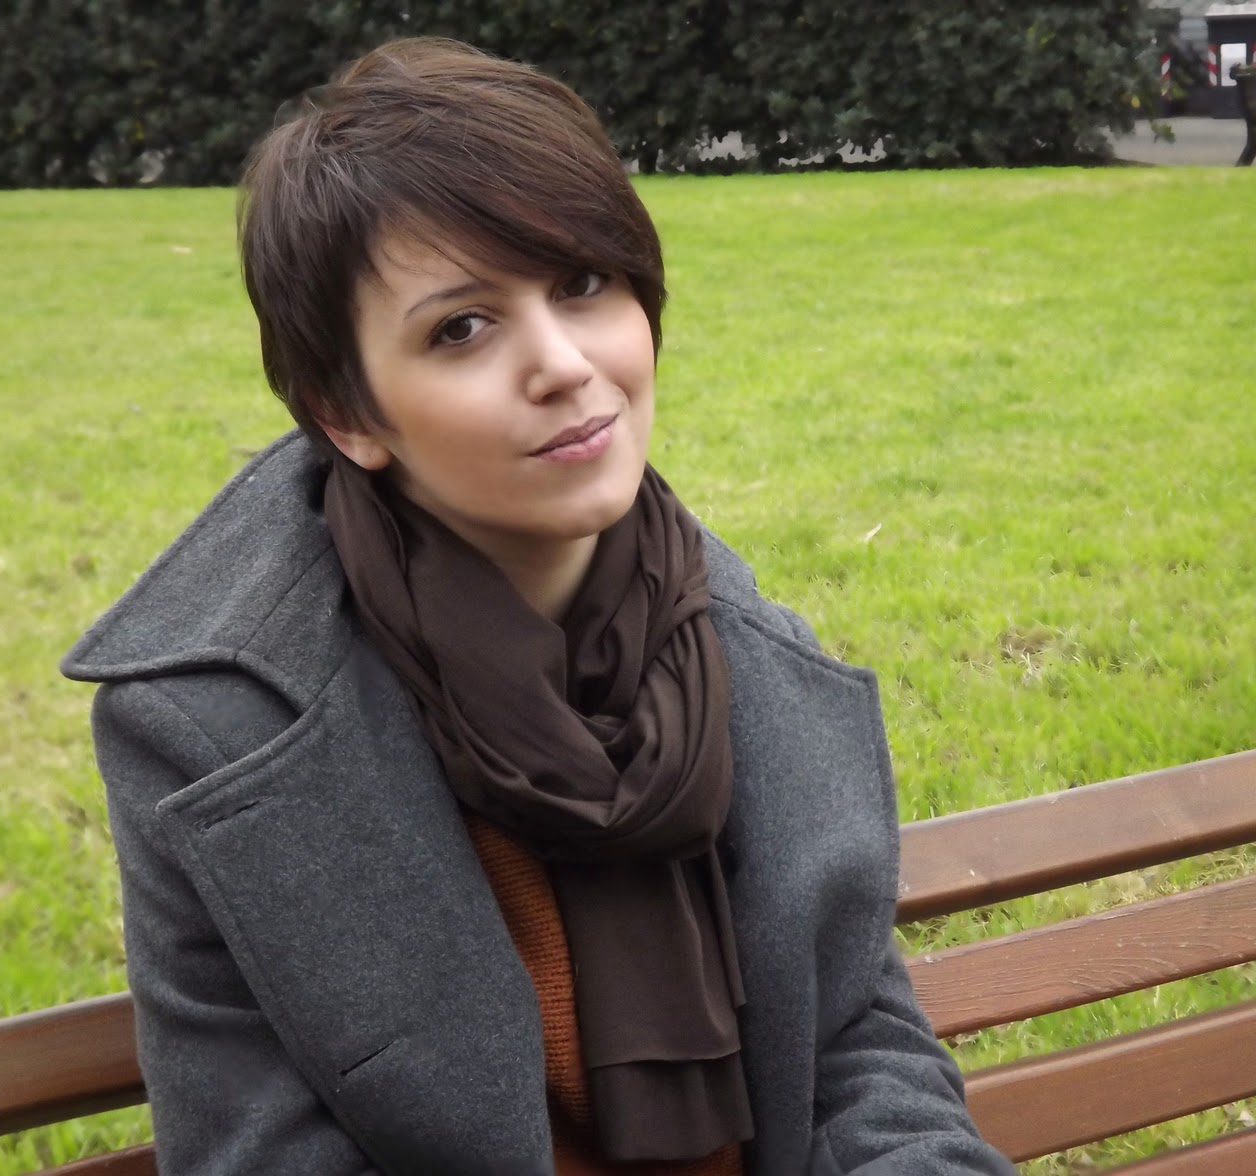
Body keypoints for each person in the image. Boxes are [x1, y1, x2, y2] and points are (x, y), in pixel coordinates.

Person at [63, 37, 1014, 1176]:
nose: (563, 363)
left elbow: (857, 1048)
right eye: (461, 328)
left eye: (581, 283)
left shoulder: (737, 645)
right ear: (347, 414)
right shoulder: (212, 730)